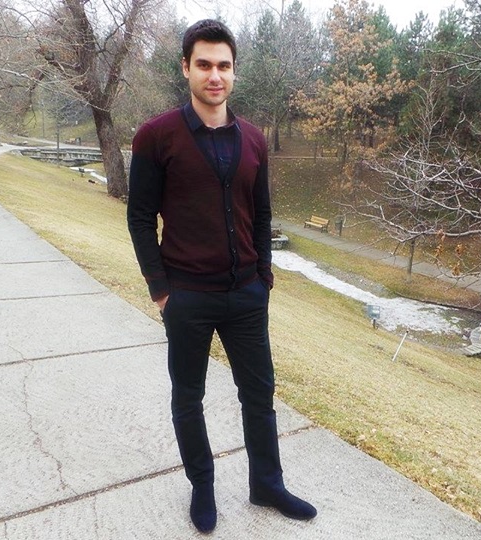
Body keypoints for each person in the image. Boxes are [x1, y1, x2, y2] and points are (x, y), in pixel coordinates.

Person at [126, 19, 317, 534]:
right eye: (205, 64)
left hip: (246, 295)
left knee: (259, 394)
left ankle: (267, 484)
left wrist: (264, 278)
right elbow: (140, 216)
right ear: (186, 68)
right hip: (187, 295)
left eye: (224, 66)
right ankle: (203, 487)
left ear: (234, 72)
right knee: (189, 397)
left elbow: (262, 212)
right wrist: (161, 290)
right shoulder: (156, 136)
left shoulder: (253, 139)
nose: (215, 75)